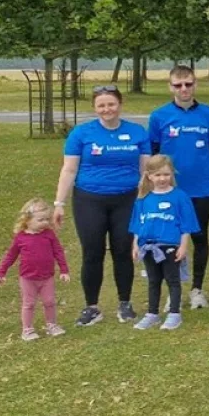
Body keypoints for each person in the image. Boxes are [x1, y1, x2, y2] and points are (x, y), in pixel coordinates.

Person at [55, 85, 151, 327]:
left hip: (127, 199)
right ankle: (92, 307)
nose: (107, 109)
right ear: (95, 108)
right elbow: (69, 169)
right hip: (89, 199)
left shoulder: (138, 132)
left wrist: (146, 201)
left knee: (123, 251)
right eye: (101, 105)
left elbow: (145, 171)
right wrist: (59, 203)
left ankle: (125, 304)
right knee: (92, 252)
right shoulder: (81, 133)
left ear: (120, 104)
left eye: (111, 104)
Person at [147, 66, 209, 309]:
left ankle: (197, 289)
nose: (183, 89)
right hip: (170, 189)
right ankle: (174, 289)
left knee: (200, 237)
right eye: (178, 85)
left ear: (195, 85)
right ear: (170, 87)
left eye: (188, 84)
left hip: (201, 188)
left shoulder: (208, 114)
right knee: (169, 240)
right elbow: (153, 154)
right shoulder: (159, 116)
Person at [129, 154, 200, 330]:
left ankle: (174, 314)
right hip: (148, 247)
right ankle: (152, 313)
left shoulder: (180, 196)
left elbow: (186, 225)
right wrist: (136, 244)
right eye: (158, 175)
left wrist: (183, 246)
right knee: (153, 280)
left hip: (170, 246)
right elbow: (138, 225)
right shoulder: (143, 199)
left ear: (172, 175)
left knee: (172, 280)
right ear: (149, 176)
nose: (162, 179)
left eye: (166, 174)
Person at [0, 200, 70, 341]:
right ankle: (27, 329)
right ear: (27, 220)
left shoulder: (49, 235)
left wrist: (64, 270)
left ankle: (52, 325)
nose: (44, 223)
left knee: (50, 301)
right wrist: (1, 272)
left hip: (47, 277)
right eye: (40, 219)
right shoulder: (21, 238)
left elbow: (58, 252)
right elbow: (10, 255)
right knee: (29, 304)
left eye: (47, 219)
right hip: (28, 278)